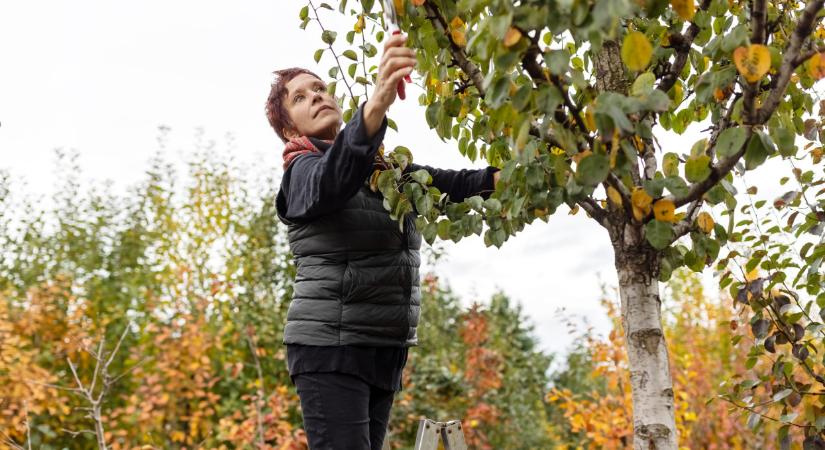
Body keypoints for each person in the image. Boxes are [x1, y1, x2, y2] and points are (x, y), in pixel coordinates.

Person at [266, 33, 500, 450]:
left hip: (381, 348)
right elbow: (335, 178)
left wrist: (518, 178)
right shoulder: (301, 174)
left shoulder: (383, 172)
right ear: (287, 128)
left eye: (319, 88)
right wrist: (377, 103)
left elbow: (449, 185)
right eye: (299, 97)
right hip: (331, 351)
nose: (316, 96)